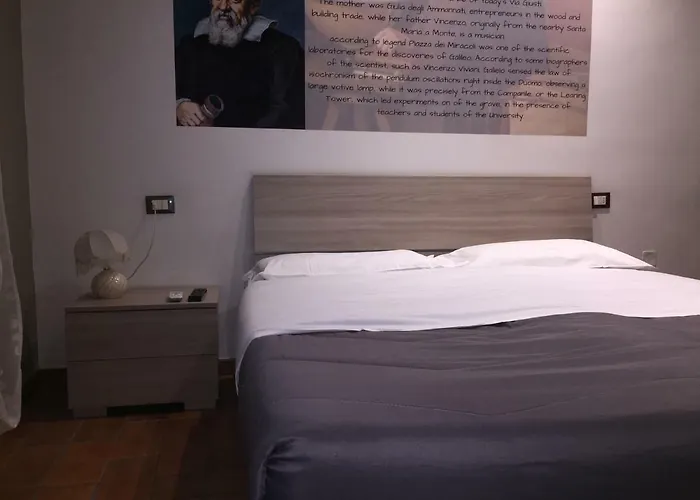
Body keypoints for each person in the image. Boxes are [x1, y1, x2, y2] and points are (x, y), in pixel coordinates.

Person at [175, 0, 305, 129]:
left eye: (235, 1)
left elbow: (286, 112)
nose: (223, 7)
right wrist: (180, 106)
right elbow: (170, 92)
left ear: (253, 6)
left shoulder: (283, 48)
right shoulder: (190, 45)